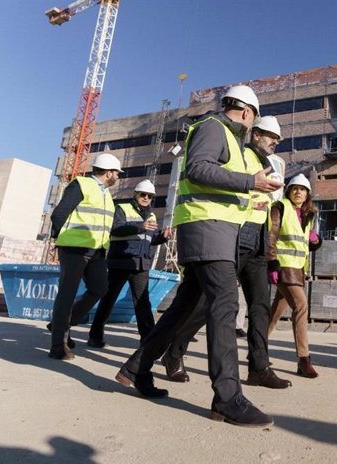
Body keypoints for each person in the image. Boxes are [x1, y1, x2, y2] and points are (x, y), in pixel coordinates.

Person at [114, 85, 283, 426]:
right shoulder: (212, 127)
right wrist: (249, 182)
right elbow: (198, 169)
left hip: (215, 230)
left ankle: (135, 369)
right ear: (248, 113)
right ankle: (228, 398)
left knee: (183, 308)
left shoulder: (230, 138)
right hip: (208, 229)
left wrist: (252, 188)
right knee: (224, 304)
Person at [160, 116, 291, 390]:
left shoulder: (271, 164)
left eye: (277, 138)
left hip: (258, 239)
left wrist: (272, 248)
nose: (275, 141)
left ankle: (259, 367)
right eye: (270, 136)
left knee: (259, 307)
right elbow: (219, 179)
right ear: (255, 134)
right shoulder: (240, 154)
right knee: (208, 303)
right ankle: (174, 352)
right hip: (234, 233)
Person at [48, 153, 122, 360]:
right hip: (73, 249)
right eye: (116, 172)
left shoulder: (106, 194)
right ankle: (58, 345)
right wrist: (62, 239)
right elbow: (58, 214)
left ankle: (62, 324)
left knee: (99, 289)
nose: (118, 176)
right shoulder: (81, 185)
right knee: (67, 293)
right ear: (108, 172)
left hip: (97, 251)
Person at [86, 179, 172, 348]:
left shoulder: (152, 215)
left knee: (143, 303)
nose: (146, 198)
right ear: (136, 194)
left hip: (141, 265)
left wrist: (162, 237)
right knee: (108, 299)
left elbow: (148, 240)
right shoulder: (122, 209)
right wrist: (141, 226)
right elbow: (116, 229)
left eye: (150, 196)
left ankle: (147, 339)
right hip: (121, 262)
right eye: (143, 194)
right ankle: (95, 335)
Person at [267, 173, 323, 378]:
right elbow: (271, 236)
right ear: (289, 191)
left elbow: (303, 244)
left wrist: (316, 241)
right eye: (294, 188)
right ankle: (304, 359)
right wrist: (272, 263)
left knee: (275, 313)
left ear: (307, 194)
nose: (298, 192)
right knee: (301, 306)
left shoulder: (306, 216)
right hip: (283, 268)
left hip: (298, 270)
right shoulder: (280, 207)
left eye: (302, 189)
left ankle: (258, 349)